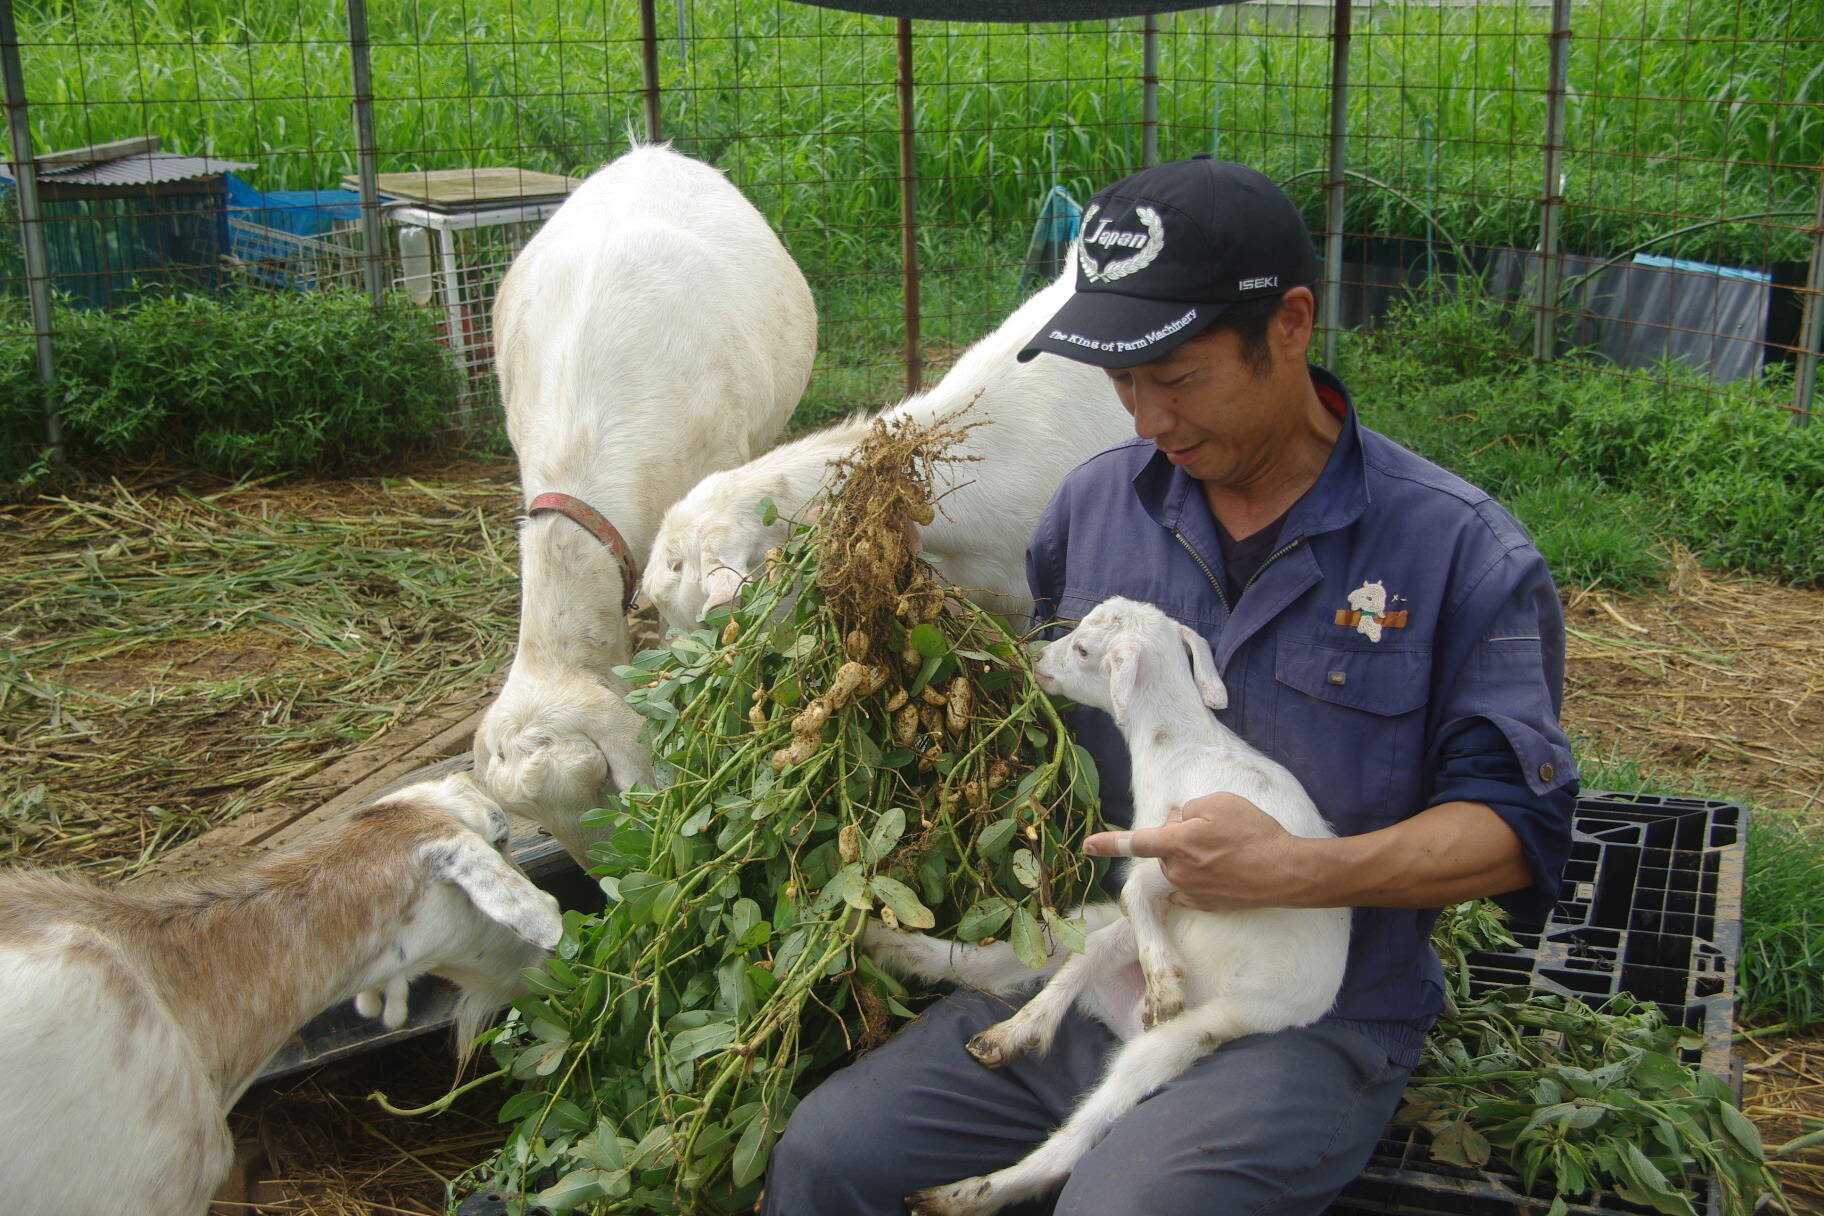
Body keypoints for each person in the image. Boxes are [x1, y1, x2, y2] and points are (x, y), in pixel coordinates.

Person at [761, 155, 1577, 1216]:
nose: (1147, 418)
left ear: (1290, 324)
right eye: (1121, 381)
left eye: (1178, 377)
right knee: (828, 1156)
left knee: (1124, 1206)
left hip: (1292, 1010)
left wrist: (1296, 867)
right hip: (1104, 962)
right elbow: (1042, 734)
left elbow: (1515, 827)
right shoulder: (1091, 509)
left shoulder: (1457, 552)